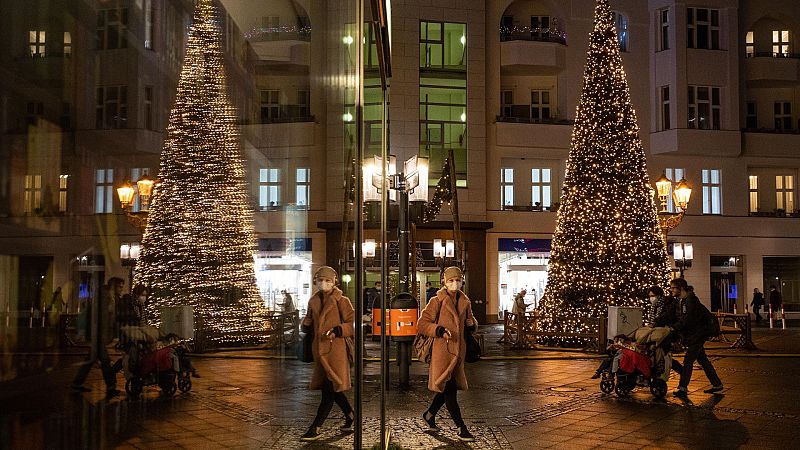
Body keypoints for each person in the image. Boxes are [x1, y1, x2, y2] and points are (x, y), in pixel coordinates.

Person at [418, 266, 477, 442]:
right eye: (451, 280)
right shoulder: (437, 301)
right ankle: (461, 428)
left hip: (458, 353)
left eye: (457, 280)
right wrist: (439, 330)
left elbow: (471, 322)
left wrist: (472, 324)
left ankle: (429, 414)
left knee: (446, 389)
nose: (454, 283)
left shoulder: (465, 301)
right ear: (444, 281)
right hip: (442, 352)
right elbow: (422, 324)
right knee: (450, 391)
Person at [300, 266, 355, 441]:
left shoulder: (342, 301)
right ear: (315, 281)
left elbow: (352, 324)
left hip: (335, 352)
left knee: (328, 391)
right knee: (334, 389)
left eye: (327, 280)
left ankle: (315, 428)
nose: (323, 283)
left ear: (334, 282)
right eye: (320, 280)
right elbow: (309, 324)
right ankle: (350, 415)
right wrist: (305, 324)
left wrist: (338, 330)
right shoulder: (313, 301)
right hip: (320, 351)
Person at [668, 278, 723, 397]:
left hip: (698, 335)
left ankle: (683, 388)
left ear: (681, 288)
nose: (671, 290)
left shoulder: (691, 300)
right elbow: (672, 314)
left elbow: (688, 319)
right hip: (694, 335)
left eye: (673, 288)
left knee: (688, 361)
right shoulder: (680, 300)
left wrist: (674, 327)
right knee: (703, 360)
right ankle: (717, 384)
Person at [71, 277, 124, 398]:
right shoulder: (105, 298)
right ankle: (111, 387)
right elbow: (102, 319)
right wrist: (102, 336)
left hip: (99, 335)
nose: (121, 289)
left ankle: (77, 383)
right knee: (105, 362)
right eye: (120, 287)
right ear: (113, 286)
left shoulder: (111, 298)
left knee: (90, 360)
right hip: (99, 335)